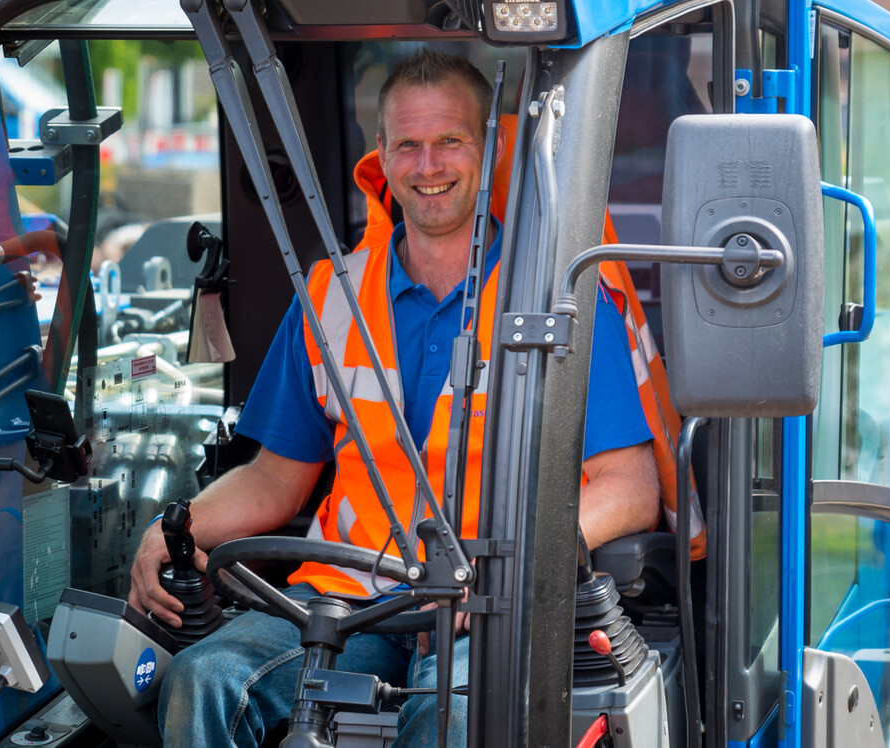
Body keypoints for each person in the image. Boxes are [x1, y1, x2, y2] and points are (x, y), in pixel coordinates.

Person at [129, 50, 661, 748]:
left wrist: (522, 559)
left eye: (450, 141)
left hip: (487, 604)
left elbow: (630, 486)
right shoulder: (330, 294)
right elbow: (275, 479)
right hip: (346, 597)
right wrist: (176, 528)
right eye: (407, 143)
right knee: (203, 677)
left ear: (489, 149)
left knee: (455, 720)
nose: (428, 164)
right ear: (381, 155)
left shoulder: (562, 300)